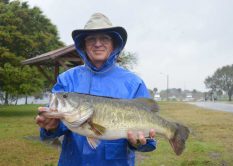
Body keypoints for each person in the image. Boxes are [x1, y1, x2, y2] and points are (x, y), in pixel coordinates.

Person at [36, 13, 156, 166]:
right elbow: (50, 131)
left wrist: (139, 143)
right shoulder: (66, 79)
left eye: (104, 38)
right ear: (83, 45)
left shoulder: (134, 83)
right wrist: (50, 128)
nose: (97, 43)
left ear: (113, 44)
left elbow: (149, 141)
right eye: (91, 39)